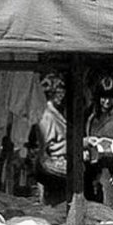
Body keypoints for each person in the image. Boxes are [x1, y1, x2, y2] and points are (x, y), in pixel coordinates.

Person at [32, 72, 68, 204]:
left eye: (62, 93)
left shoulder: (57, 113)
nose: (61, 96)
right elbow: (49, 146)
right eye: (58, 93)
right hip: (51, 166)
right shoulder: (47, 115)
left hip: (58, 162)